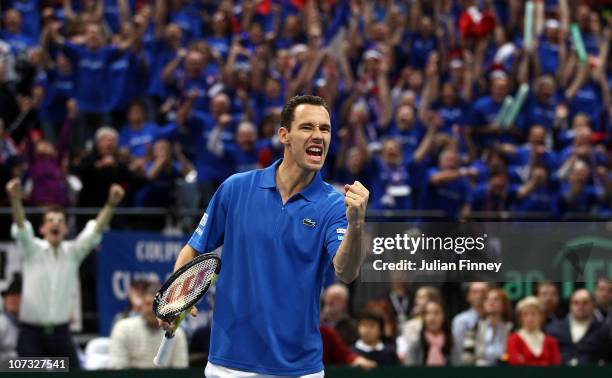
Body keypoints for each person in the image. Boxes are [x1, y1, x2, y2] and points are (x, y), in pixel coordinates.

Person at [158, 95, 370, 377]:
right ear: (285, 135)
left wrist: (356, 225)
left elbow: (346, 270)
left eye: (325, 129)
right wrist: (177, 298)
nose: (318, 136)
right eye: (307, 127)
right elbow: (193, 249)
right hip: (228, 366)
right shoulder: (236, 188)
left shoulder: (334, 205)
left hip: (298, 369)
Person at [6, 177, 125, 369]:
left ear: (65, 228)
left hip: (61, 335)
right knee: (23, 371)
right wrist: (15, 200)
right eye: (51, 220)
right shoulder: (31, 250)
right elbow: (21, 227)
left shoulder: (73, 253)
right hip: (31, 335)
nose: (56, 223)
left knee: (73, 371)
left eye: (60, 221)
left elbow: (95, 230)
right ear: (42, 228)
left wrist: (111, 204)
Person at [108, 282, 188, 369]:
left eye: (158, 305)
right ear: (141, 306)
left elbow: (180, 371)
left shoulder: (177, 334)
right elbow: (117, 368)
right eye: (148, 304)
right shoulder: (123, 329)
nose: (152, 310)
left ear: (167, 307)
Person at [545, 288, 610, 365]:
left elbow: (607, 359)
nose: (580, 306)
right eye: (576, 303)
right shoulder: (553, 329)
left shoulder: (603, 329)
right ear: (570, 306)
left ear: (593, 305)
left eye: (585, 303)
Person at [460, 288, 513, 366]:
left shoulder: (511, 329)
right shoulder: (474, 328)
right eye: (487, 299)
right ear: (483, 304)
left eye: (496, 299)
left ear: (504, 305)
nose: (491, 302)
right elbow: (466, 358)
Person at [507, 296, 561, 366]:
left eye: (533, 313)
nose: (529, 318)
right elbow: (516, 364)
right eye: (525, 314)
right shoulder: (513, 339)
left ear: (541, 316)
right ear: (520, 317)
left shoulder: (551, 342)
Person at [405, 300, 459, 366]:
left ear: (444, 316)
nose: (432, 318)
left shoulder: (452, 342)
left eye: (436, 313)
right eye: (427, 313)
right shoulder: (416, 344)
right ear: (423, 317)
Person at [452, 282, 489, 349]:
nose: (479, 296)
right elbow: (457, 347)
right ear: (468, 296)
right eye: (475, 292)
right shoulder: (461, 320)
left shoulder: (495, 318)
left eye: (483, 292)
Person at [0, 273, 21, 364]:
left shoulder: (29, 325)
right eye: (9, 296)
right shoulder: (2, 322)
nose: (12, 299)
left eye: (17, 296)